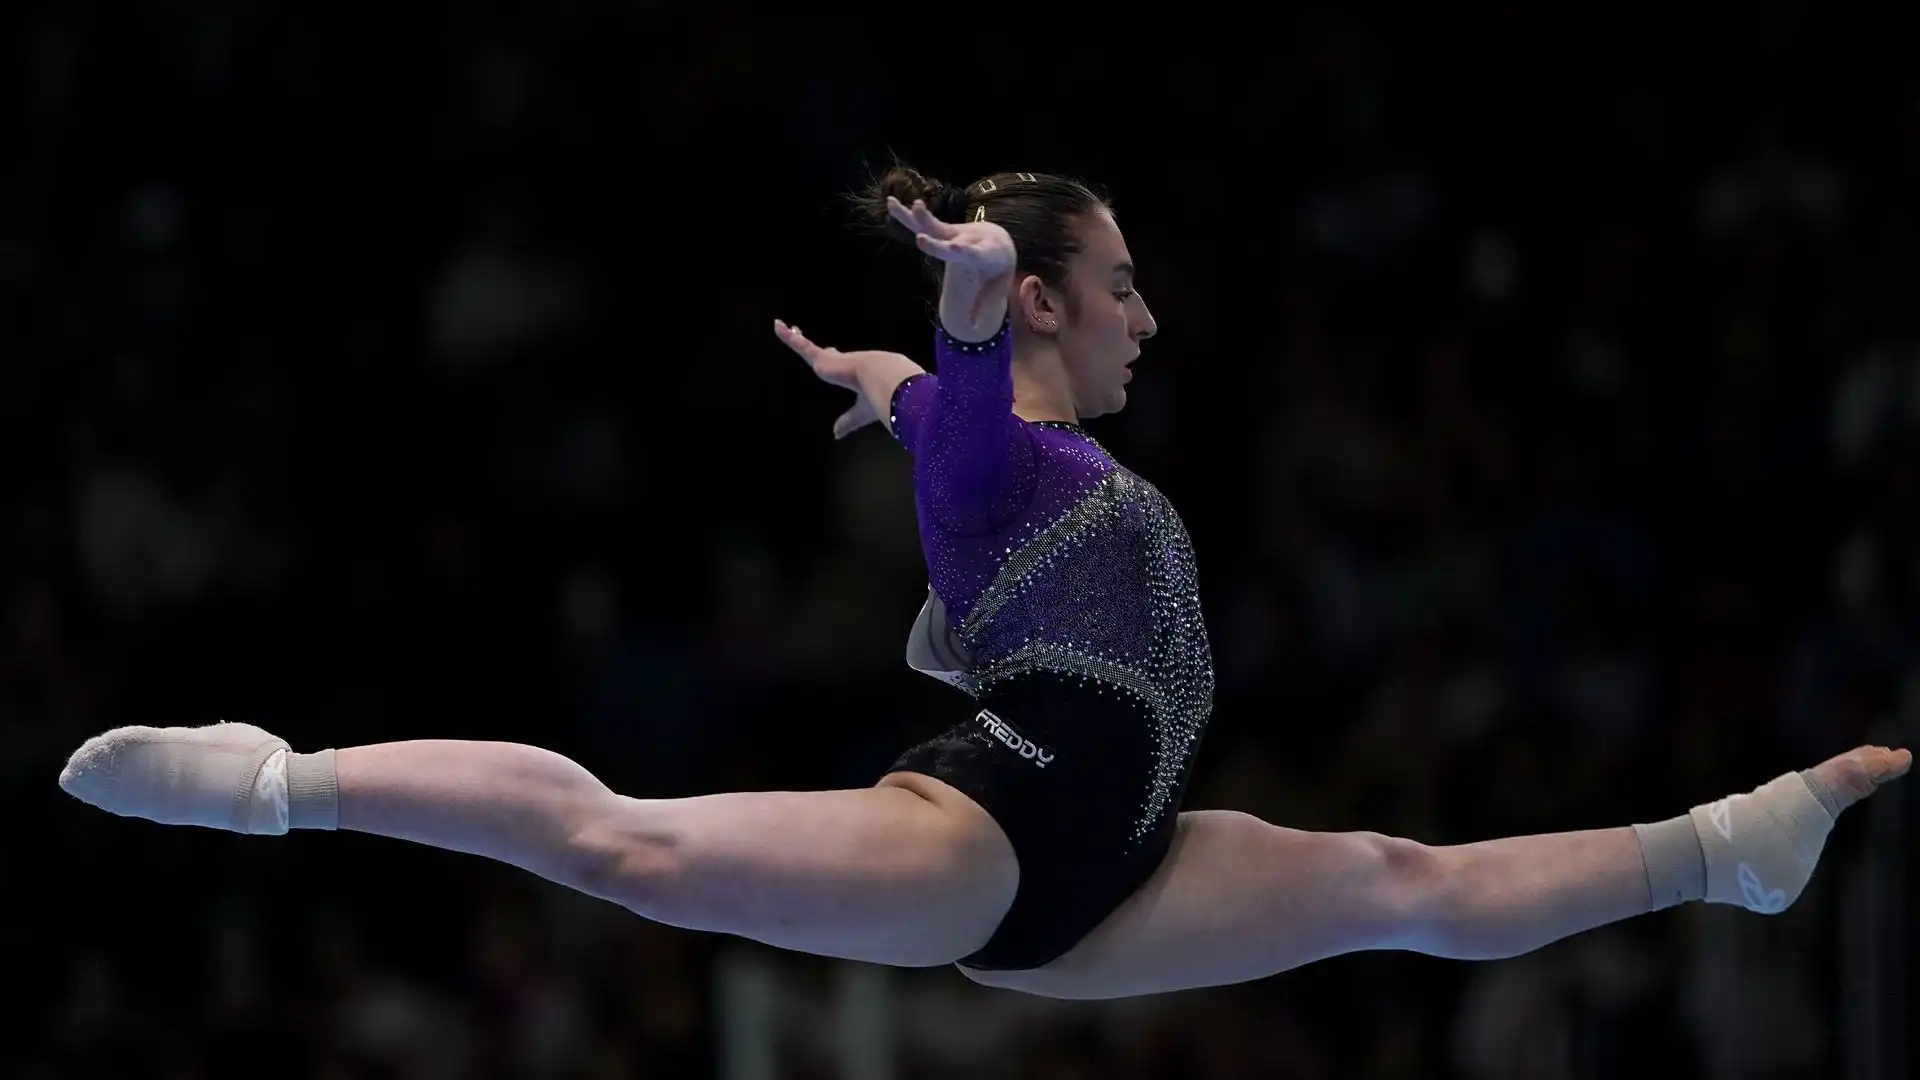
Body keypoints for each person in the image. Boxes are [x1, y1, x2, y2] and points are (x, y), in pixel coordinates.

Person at [59, 165, 1910, 1004]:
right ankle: (282, 783)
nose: (1148, 318)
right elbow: (949, 350)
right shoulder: (990, 419)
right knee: (634, 849)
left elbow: (910, 383)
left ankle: (1734, 846)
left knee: (1400, 889)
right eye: (1118, 289)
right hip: (1001, 831)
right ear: (1038, 299)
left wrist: (872, 378)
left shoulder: (973, 435)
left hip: (1121, 880)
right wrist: (950, 286)